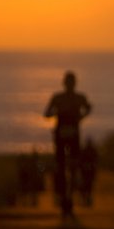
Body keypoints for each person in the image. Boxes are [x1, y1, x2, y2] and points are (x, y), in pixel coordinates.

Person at [44, 71, 92, 218]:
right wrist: (60, 112)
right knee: (61, 167)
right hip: (61, 135)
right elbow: (47, 114)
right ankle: (63, 195)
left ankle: (69, 196)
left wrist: (79, 117)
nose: (70, 85)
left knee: (72, 167)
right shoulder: (59, 98)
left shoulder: (78, 97)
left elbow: (88, 108)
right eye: (69, 82)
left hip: (72, 136)